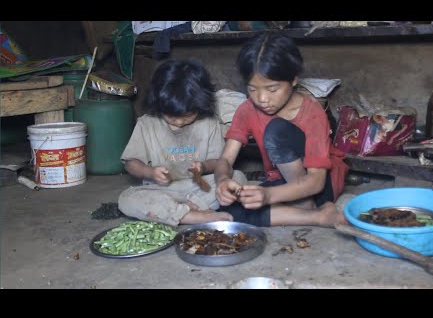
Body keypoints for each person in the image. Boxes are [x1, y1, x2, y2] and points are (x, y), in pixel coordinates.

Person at [214, 32, 349, 228]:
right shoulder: (247, 110)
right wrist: (223, 180)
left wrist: (268, 196)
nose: (262, 99)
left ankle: (306, 205)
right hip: (283, 184)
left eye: (272, 89)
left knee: (275, 131)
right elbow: (226, 159)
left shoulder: (312, 111)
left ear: (293, 80)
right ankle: (318, 217)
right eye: (252, 89)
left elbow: (316, 182)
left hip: (320, 186)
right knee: (227, 212)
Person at [118, 59, 246, 226]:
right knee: (127, 199)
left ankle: (183, 211)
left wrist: (204, 167)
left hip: (199, 187)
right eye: (171, 116)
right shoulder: (147, 123)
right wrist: (150, 172)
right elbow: (131, 163)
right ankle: (190, 214)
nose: (178, 122)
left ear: (201, 106)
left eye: (186, 117)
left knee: (238, 177)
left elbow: (219, 162)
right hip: (161, 190)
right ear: (158, 104)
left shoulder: (208, 122)